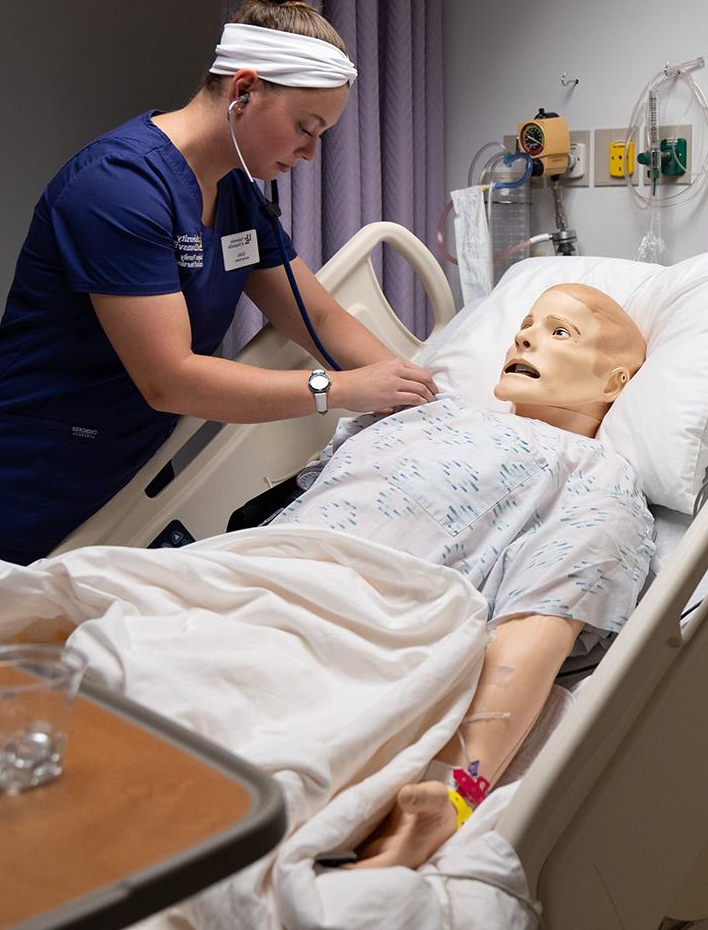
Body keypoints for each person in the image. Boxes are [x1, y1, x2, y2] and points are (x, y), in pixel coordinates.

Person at [0, 0, 435, 586]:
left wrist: (418, 395)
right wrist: (339, 390)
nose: (310, 152)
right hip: (17, 472)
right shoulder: (119, 187)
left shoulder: (235, 193)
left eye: (323, 136)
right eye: (305, 128)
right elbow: (170, 379)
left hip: (124, 465)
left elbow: (321, 314)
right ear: (243, 90)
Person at [270, 283, 656, 870]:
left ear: (615, 384)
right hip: (247, 575)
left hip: (346, 633)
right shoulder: (416, 411)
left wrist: (455, 798)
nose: (525, 335)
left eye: (560, 332)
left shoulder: (597, 479)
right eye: (526, 324)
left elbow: (532, 637)